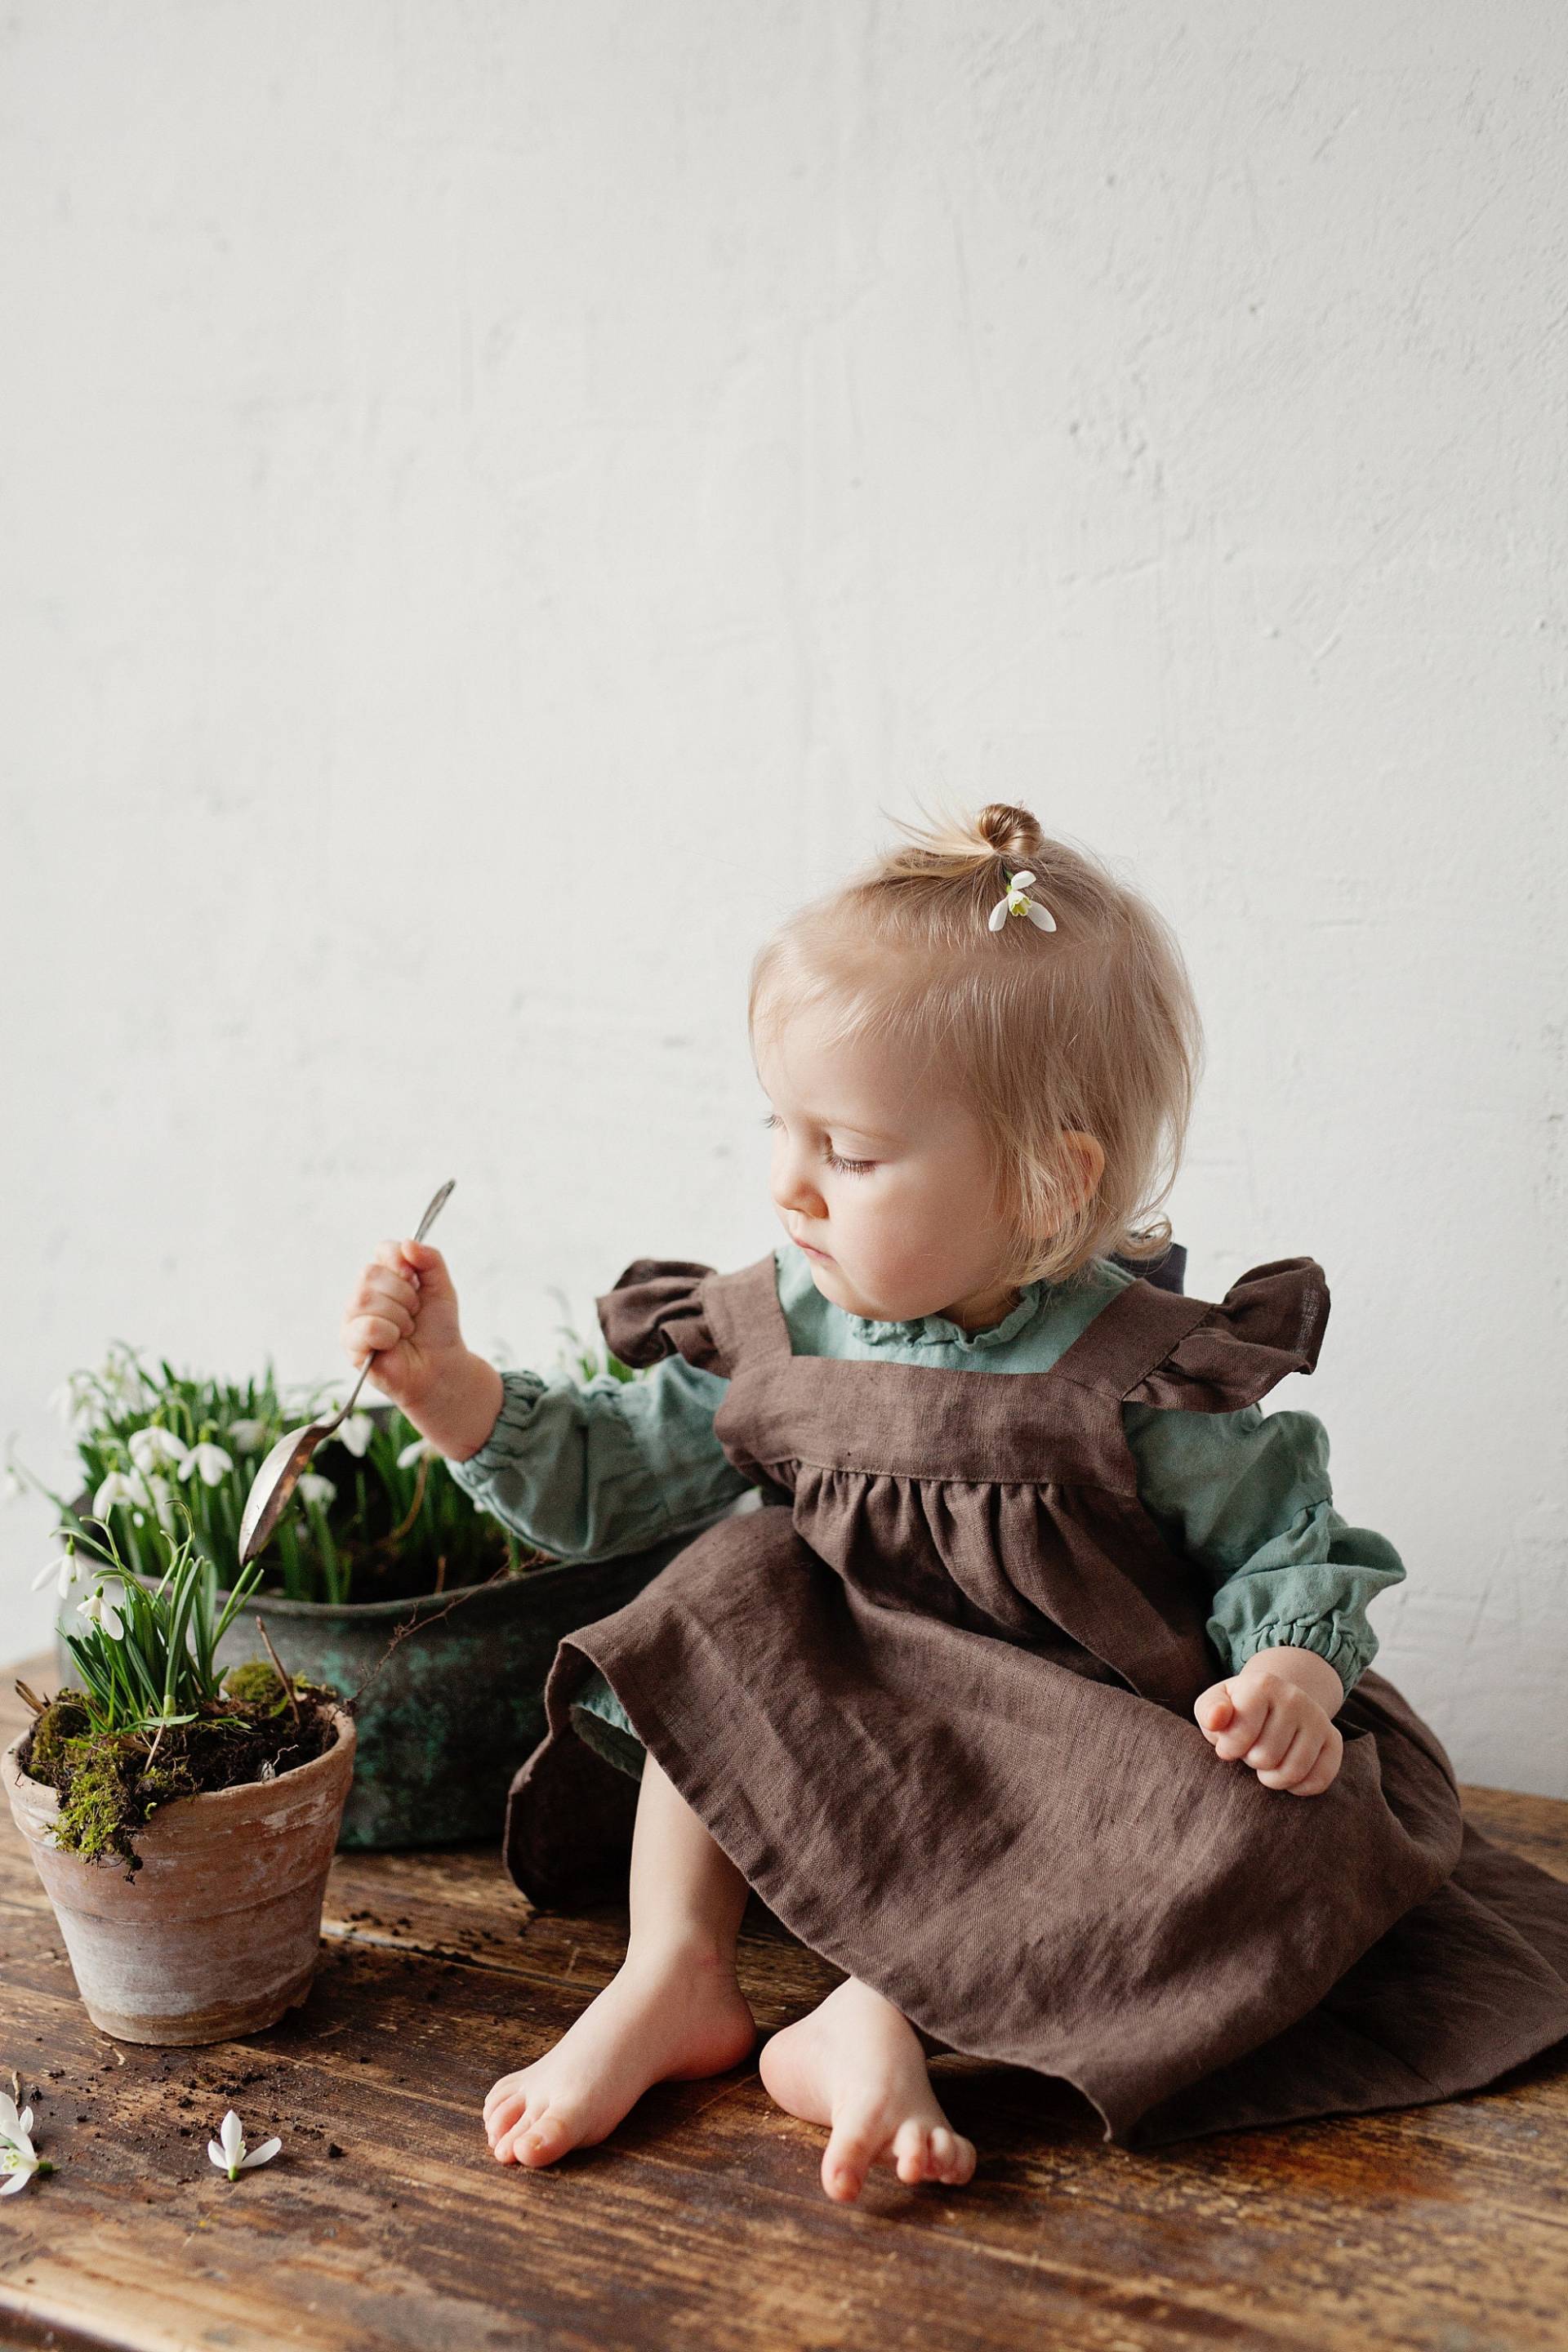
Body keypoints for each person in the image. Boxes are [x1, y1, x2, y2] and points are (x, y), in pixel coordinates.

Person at [340, 803, 1568, 2206]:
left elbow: (1283, 1541)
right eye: (779, 1127)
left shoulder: (1136, 1369)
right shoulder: (784, 1324)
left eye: (849, 1154)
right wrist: (448, 1387)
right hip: (857, 1727)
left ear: (1048, 1183)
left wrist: (1287, 1668)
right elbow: (610, 1473)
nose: (789, 1185)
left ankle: (885, 2012)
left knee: (1276, 1827)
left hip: (1070, 1753)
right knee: (716, 1594)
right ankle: (673, 1968)